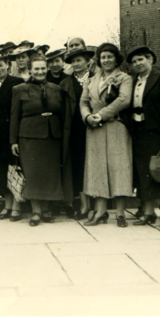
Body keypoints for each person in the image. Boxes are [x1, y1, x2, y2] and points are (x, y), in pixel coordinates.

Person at [79, 43, 133, 227]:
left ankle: (120, 213)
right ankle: (100, 212)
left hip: (116, 126)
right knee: (97, 169)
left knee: (119, 168)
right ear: (99, 60)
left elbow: (124, 99)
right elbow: (84, 101)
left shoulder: (124, 78)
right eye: (103, 57)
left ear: (116, 58)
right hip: (94, 129)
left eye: (110, 57)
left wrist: (100, 115)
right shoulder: (92, 79)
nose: (106, 60)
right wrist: (87, 117)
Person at [126, 46, 160, 229]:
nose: (137, 64)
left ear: (150, 59)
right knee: (144, 173)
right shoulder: (132, 81)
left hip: (157, 132)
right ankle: (149, 212)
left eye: (140, 60)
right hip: (138, 131)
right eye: (134, 62)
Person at [10, 51, 65, 226]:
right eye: (36, 69)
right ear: (30, 70)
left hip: (52, 136)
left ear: (47, 68)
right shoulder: (19, 89)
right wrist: (13, 141)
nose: (40, 72)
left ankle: (47, 210)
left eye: (43, 68)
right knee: (33, 174)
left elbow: (61, 113)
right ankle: (36, 212)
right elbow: (14, 116)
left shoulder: (56, 89)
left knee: (50, 174)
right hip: (29, 137)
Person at [0, 54, 25, 221]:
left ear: (7, 65)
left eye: (1, 65)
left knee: (15, 168)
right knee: (3, 170)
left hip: (13, 132)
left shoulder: (17, 82)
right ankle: (7, 206)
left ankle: (17, 206)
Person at [61, 47, 96, 220]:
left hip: (95, 128)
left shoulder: (97, 78)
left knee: (95, 165)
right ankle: (84, 206)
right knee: (78, 167)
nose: (76, 64)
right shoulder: (65, 83)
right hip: (74, 131)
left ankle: (98, 206)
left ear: (87, 61)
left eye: (79, 60)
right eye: (73, 61)